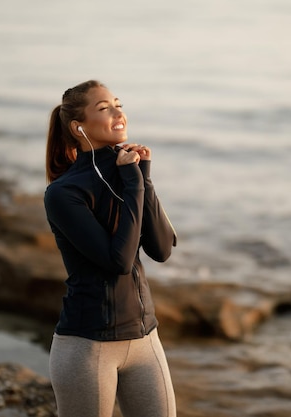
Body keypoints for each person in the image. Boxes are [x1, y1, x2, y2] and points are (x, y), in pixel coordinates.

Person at [43, 80, 177, 417]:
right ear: (79, 127)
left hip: (146, 339)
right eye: (104, 108)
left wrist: (143, 177)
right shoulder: (64, 193)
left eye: (118, 104)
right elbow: (118, 260)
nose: (119, 112)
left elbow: (161, 249)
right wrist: (132, 182)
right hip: (88, 347)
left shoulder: (128, 171)